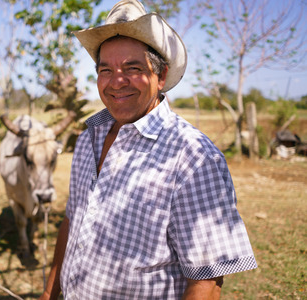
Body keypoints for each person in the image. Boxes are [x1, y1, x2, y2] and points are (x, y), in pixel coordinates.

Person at [40, 0, 257, 299]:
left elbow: (205, 281)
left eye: (133, 68)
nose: (117, 81)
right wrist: (50, 292)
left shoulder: (192, 157)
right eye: (106, 70)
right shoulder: (89, 137)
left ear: (161, 76)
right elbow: (72, 221)